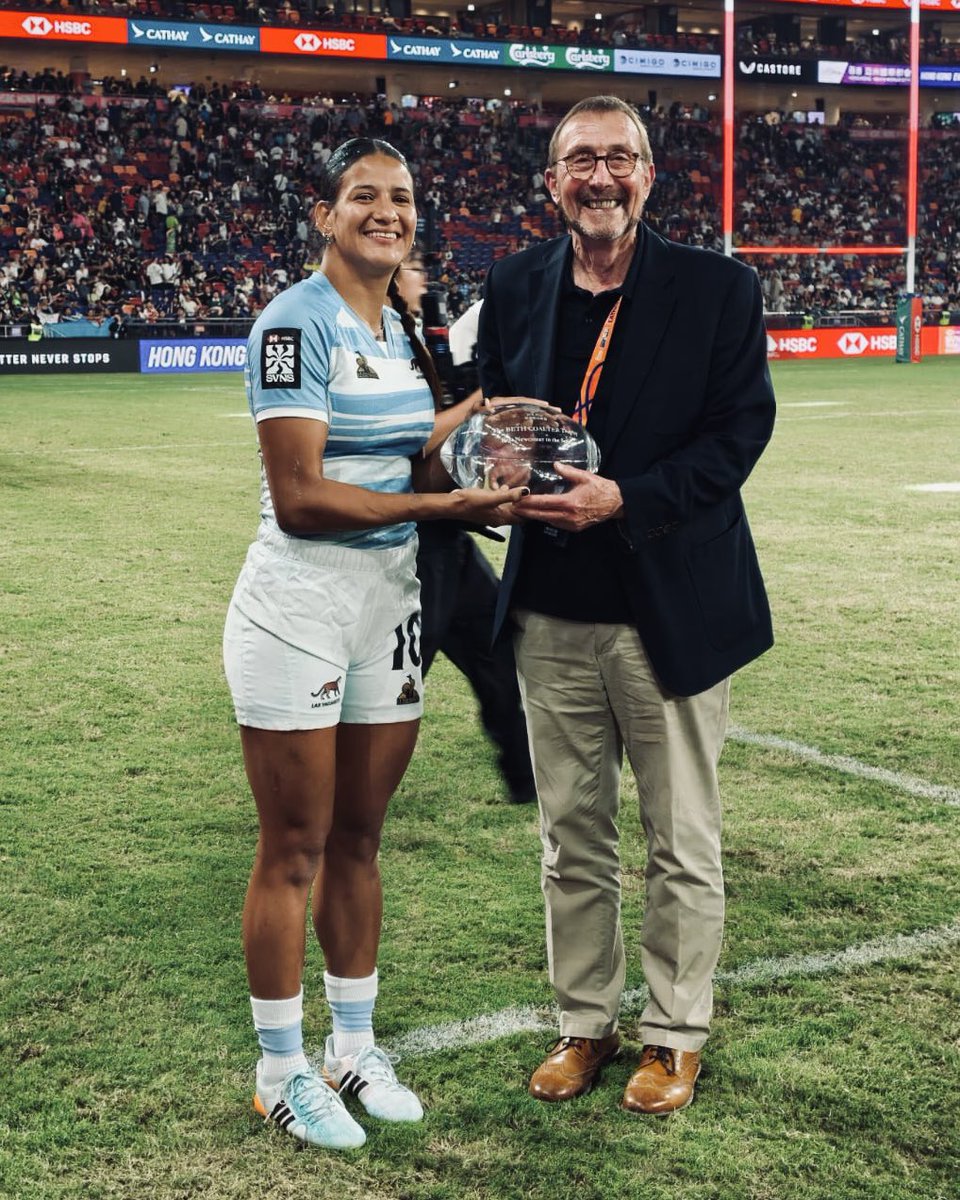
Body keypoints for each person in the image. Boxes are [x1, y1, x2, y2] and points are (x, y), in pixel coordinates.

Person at [223, 137, 527, 1152]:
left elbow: (407, 442)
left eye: (400, 197)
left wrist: (491, 415)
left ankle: (352, 1047)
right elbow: (302, 499)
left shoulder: (395, 322)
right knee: (295, 848)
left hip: (389, 603)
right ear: (324, 213)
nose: (386, 212)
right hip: (301, 605)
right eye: (364, 196)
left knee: (360, 840)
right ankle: (280, 1071)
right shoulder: (290, 323)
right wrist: (444, 499)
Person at [477, 96, 776, 1115]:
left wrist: (626, 498)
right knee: (573, 837)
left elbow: (739, 437)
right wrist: (496, 468)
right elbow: (492, 411)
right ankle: (585, 1025)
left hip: (670, 606)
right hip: (552, 611)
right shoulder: (516, 283)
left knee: (681, 840)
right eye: (579, 161)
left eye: (618, 158)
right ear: (552, 180)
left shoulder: (718, 289)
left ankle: (675, 1035)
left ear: (648, 175)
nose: (599, 177)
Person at [393, 251, 536, 806]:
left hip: (446, 535)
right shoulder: (387, 348)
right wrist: (482, 400)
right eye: (411, 270)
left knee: (498, 650)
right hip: (411, 542)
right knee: (401, 677)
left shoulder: (426, 338)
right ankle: (339, 789)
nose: (420, 278)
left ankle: (526, 782)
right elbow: (418, 440)